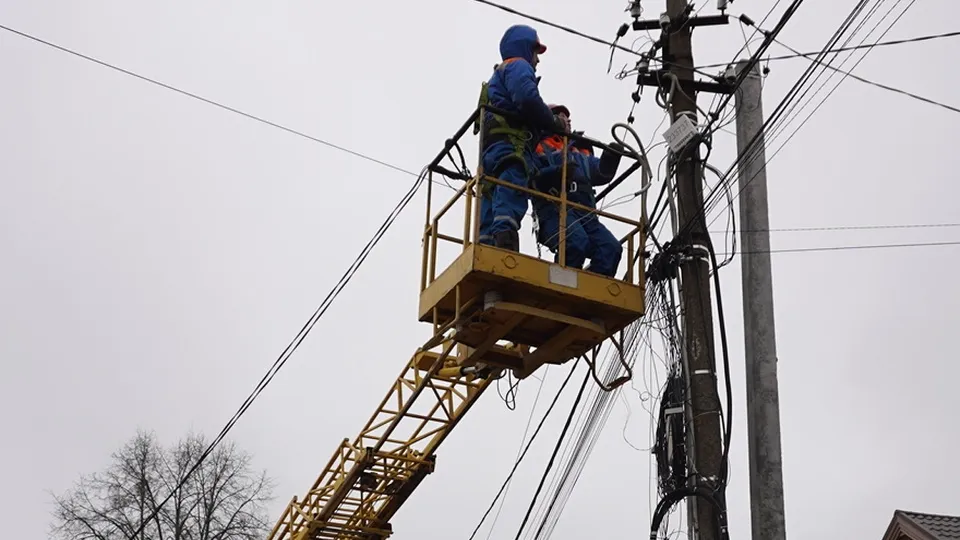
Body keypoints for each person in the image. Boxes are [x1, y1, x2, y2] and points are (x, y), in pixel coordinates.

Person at [475, 25, 569, 252]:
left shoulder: (498, 75)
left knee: (491, 191)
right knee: (511, 186)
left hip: (492, 150)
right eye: (536, 53)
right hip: (512, 147)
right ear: (525, 48)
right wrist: (554, 123)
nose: (537, 60)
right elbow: (527, 99)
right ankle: (506, 242)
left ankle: (486, 245)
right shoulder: (518, 66)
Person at [530, 104, 624, 278]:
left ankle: (592, 287)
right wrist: (557, 173)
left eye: (568, 118)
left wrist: (610, 159)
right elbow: (533, 176)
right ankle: (561, 285)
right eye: (562, 116)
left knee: (610, 248)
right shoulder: (538, 145)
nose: (568, 120)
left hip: (586, 214)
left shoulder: (579, 150)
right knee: (575, 241)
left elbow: (599, 172)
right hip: (555, 210)